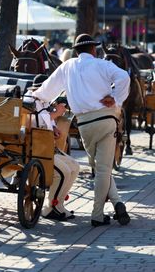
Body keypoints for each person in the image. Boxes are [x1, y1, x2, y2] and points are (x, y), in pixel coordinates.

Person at [33, 33, 131, 227]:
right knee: (104, 169)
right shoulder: (102, 64)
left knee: (100, 168)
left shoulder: (67, 66)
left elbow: (44, 92)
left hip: (85, 124)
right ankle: (98, 214)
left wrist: (31, 96)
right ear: (94, 49)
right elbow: (124, 77)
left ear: (76, 51)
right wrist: (115, 98)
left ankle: (118, 201)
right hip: (107, 119)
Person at [23, 74, 80, 221]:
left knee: (75, 166)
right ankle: (50, 207)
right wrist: (56, 114)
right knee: (63, 173)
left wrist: (53, 127)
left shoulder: (43, 101)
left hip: (46, 146)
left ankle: (58, 204)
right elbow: (30, 122)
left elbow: (45, 120)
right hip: (36, 148)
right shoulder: (30, 101)